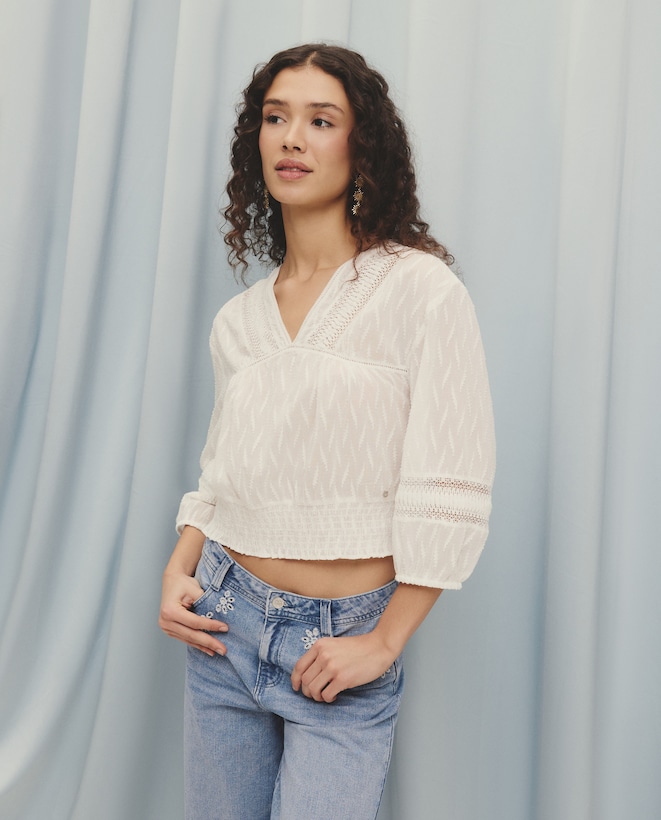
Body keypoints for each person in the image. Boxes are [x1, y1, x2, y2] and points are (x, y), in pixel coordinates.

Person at [159, 43, 496, 820]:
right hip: (222, 622)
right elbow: (221, 476)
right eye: (275, 117)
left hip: (339, 644)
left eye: (320, 120)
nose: (291, 138)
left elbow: (454, 476)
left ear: (361, 143)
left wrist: (384, 640)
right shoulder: (238, 322)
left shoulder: (418, 290)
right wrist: (177, 569)